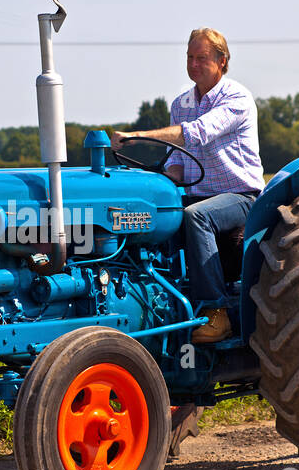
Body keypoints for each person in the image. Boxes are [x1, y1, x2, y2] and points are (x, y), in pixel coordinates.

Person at [110, 27, 263, 344]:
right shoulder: (181, 103)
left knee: (196, 216)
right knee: (151, 214)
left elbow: (198, 133)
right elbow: (176, 166)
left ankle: (216, 313)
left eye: (202, 58)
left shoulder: (237, 98)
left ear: (222, 61)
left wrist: (138, 137)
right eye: (190, 58)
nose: (194, 64)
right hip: (196, 195)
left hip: (241, 197)